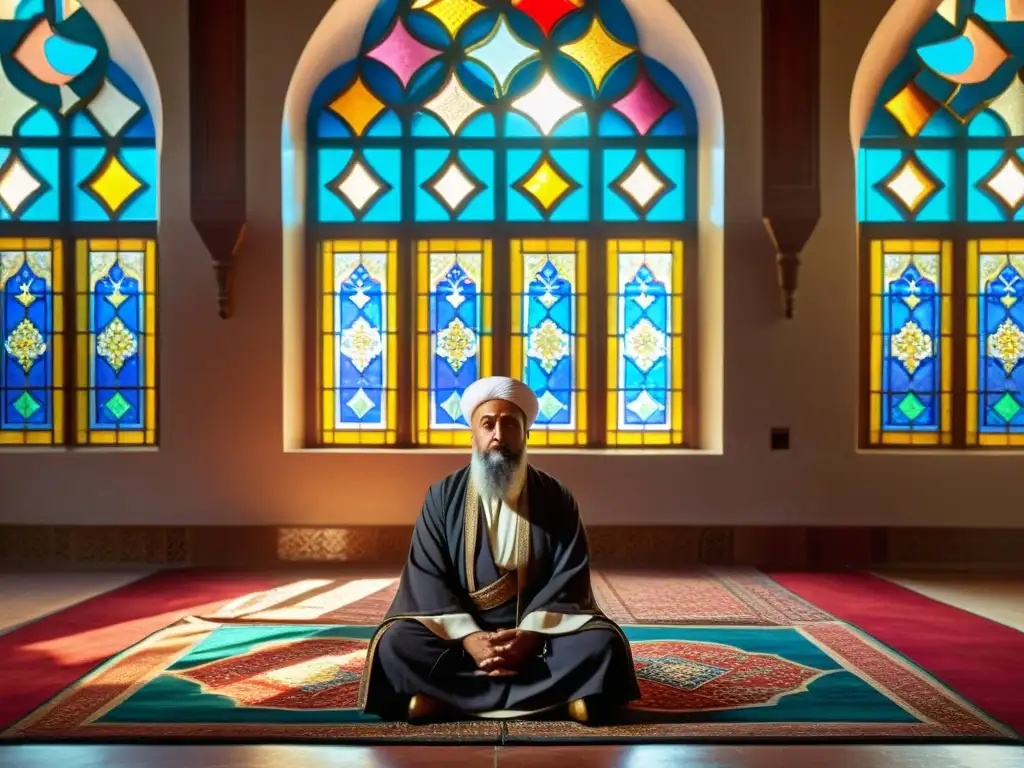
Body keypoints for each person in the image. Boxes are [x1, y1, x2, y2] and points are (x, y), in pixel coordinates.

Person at [359, 376, 639, 724]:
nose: (499, 435)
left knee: (602, 644)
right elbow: (427, 575)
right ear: (473, 434)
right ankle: (562, 698)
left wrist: (530, 637)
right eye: (487, 424)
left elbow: (569, 576)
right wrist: (470, 638)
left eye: (510, 424)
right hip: (458, 638)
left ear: (526, 434)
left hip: (541, 638)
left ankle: (443, 699)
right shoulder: (442, 497)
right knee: (396, 642)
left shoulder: (555, 497)